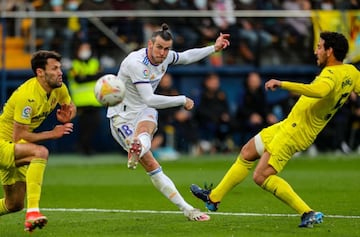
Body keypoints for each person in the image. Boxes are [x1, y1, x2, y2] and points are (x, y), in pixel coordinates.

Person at [190, 31, 360, 227]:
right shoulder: (351, 72)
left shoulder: (330, 74)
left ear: (330, 51)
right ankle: (214, 197)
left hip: (296, 131)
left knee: (261, 176)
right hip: (289, 124)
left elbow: (320, 91)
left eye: (320, 47)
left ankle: (308, 212)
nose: (316, 51)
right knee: (247, 151)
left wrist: (283, 84)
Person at [106, 23, 229, 221]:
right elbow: (149, 98)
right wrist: (182, 100)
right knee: (151, 163)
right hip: (122, 117)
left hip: (143, 111)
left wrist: (213, 48)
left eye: (167, 49)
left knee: (149, 124)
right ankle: (139, 146)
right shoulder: (135, 63)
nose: (163, 53)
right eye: (159, 48)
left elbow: (187, 56)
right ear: (149, 44)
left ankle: (188, 209)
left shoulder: (166, 56)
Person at [0, 50, 76, 232]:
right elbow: (19, 137)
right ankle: (33, 212)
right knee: (40, 153)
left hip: (16, 147)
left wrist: (68, 115)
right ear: (40, 72)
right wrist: (52, 133)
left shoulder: (59, 88)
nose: (60, 72)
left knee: (14, 204)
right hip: (4, 143)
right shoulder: (27, 97)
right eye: (54, 68)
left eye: (60, 67)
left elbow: (70, 106)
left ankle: (27, 210)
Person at [67, 42, 103, 155]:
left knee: (94, 123)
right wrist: (91, 76)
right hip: (81, 101)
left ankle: (85, 146)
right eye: (83, 48)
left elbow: (99, 75)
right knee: (84, 125)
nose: (85, 51)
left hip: (94, 100)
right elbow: (78, 79)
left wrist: (86, 76)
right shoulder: (73, 64)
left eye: (87, 48)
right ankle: (83, 147)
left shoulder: (95, 62)